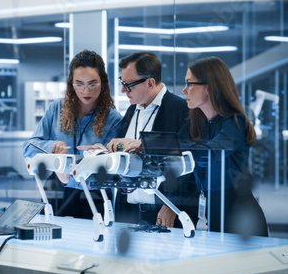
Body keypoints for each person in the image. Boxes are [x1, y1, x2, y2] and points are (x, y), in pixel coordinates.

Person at [101, 51, 199, 228]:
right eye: (122, 83)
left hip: (163, 212)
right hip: (127, 211)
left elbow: (190, 163)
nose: (123, 90)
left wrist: (172, 204)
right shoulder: (132, 110)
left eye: (128, 85)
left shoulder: (182, 110)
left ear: (150, 83)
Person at [23, 50, 122, 218]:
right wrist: (53, 147)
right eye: (79, 84)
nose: (86, 91)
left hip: (92, 198)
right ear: (71, 84)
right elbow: (29, 148)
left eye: (92, 84)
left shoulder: (114, 120)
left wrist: (69, 178)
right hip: (54, 195)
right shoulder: (57, 108)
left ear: (103, 83)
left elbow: (112, 173)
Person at [178, 56, 268, 237]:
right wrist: (144, 146)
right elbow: (172, 146)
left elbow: (208, 155)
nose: (184, 90)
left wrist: (166, 147)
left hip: (240, 216)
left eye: (189, 83)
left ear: (209, 88)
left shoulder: (235, 122)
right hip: (213, 209)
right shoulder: (197, 122)